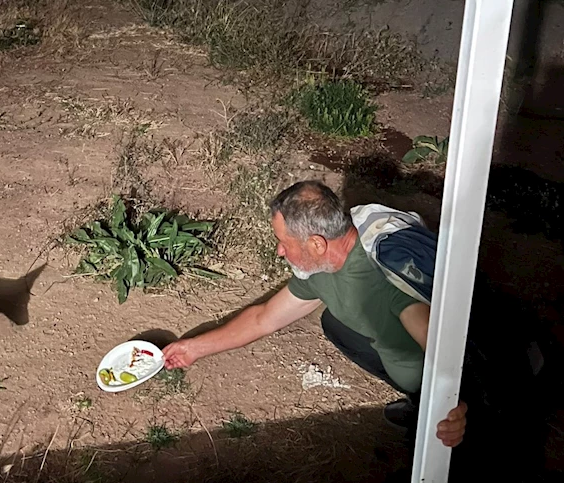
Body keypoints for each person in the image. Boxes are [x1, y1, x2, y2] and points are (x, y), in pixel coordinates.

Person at [163, 180, 468, 448]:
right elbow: (263, 318)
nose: (280, 252)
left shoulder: (385, 279)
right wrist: (192, 349)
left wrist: (453, 407)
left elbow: (447, 349)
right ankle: (418, 401)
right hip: (397, 351)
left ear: (316, 243)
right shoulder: (321, 266)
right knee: (335, 324)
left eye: (284, 243)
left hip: (447, 374)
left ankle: (442, 415)